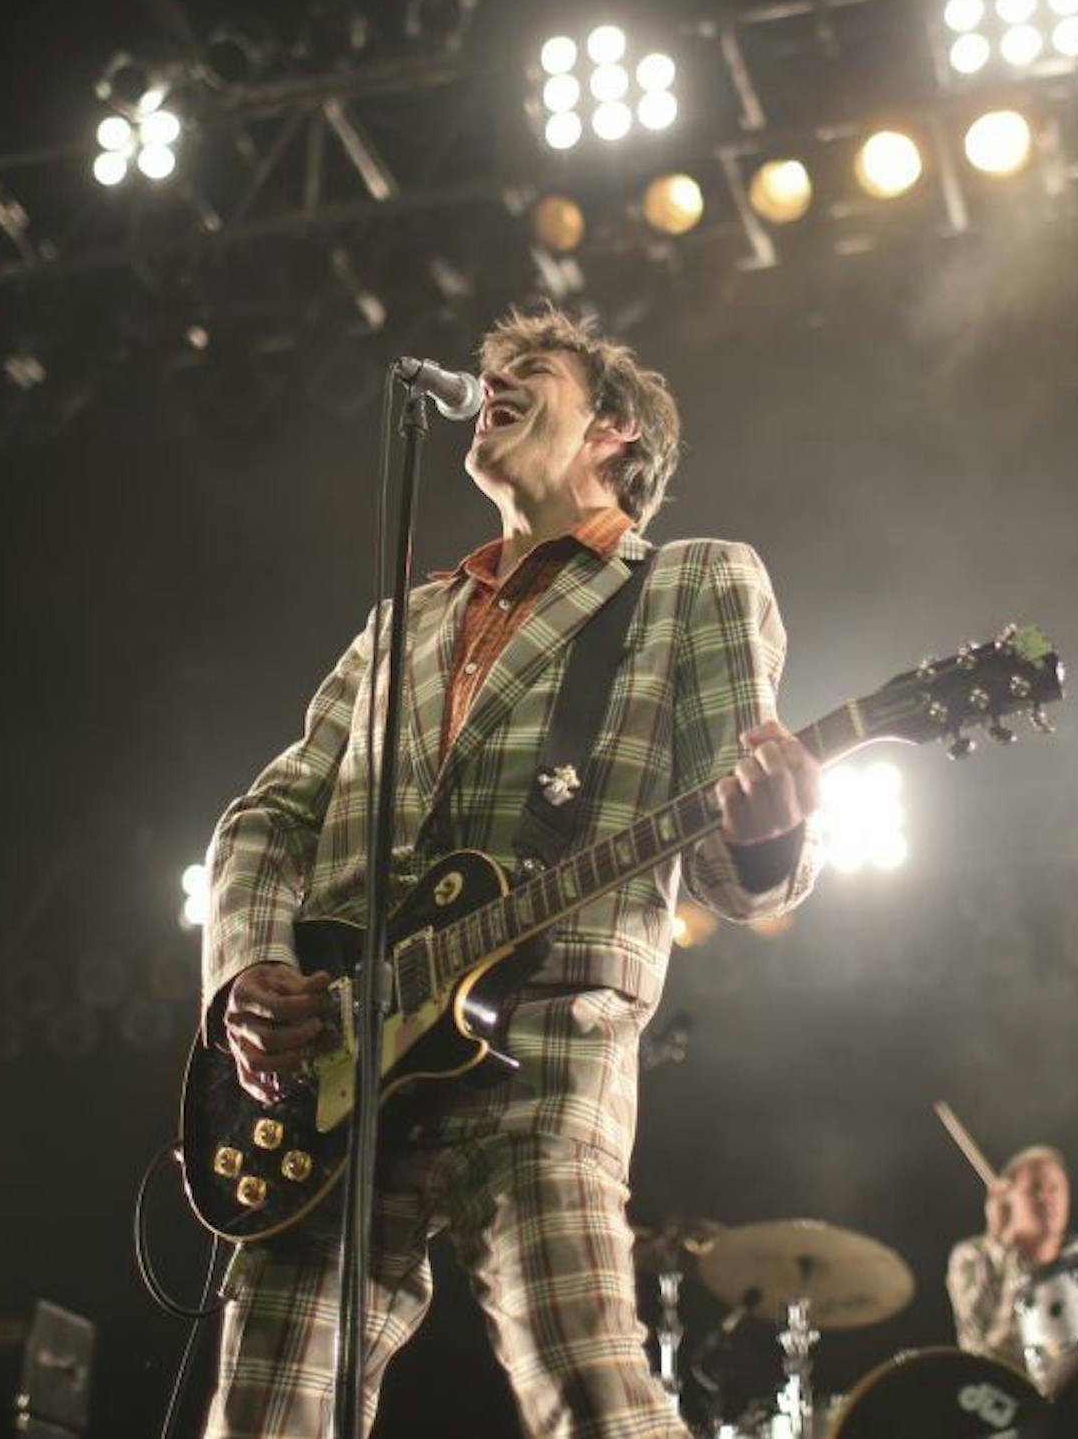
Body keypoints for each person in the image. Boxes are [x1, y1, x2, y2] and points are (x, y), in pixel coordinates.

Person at [197, 304, 822, 1438]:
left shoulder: (693, 583)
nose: (492, 382)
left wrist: (772, 831)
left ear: (615, 430)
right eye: (488, 370)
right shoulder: (399, 625)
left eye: (529, 367)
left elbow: (737, 874)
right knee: (261, 1415)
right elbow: (267, 819)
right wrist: (247, 969)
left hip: (545, 1043)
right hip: (330, 1066)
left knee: (588, 1384)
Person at [945, 1146, 1078, 1380]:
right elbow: (979, 1351)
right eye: (1035, 1189)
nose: (1046, 1198)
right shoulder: (971, 1257)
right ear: (1007, 1199)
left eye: (1054, 1189)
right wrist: (1001, 1244)